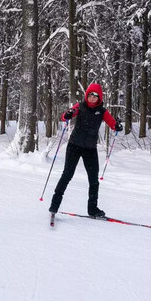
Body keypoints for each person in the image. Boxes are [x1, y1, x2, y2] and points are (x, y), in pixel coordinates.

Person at [49, 83, 123, 217]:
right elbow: (65, 116)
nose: (92, 98)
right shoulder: (80, 106)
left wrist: (117, 126)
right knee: (67, 174)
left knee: (94, 179)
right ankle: (54, 205)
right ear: (87, 95)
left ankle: (92, 209)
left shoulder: (102, 111)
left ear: (99, 98)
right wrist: (68, 114)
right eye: (90, 95)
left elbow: (112, 123)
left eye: (95, 96)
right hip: (74, 145)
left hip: (90, 148)